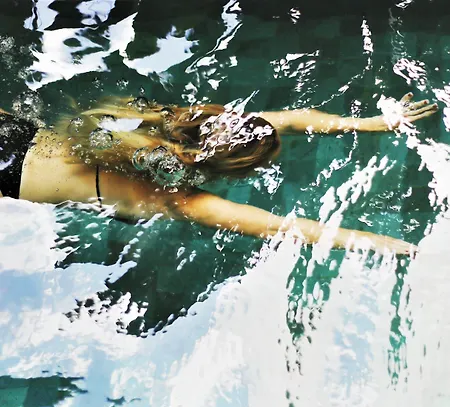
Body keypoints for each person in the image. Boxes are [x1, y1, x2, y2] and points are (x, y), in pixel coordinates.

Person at [0, 93, 438, 255]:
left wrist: (372, 124)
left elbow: (287, 118)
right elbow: (282, 227)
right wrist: (386, 244)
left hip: (16, 133)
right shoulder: (175, 198)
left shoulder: (172, 125)